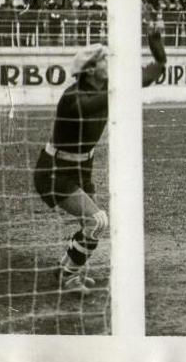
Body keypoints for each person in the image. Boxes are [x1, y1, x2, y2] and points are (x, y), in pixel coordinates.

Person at [33, 31, 166, 293]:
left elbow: (152, 73)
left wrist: (157, 47)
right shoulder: (73, 98)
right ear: (91, 69)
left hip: (82, 167)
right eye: (106, 60)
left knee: (93, 224)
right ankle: (69, 275)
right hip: (54, 170)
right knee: (98, 221)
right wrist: (128, 82)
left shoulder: (106, 87)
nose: (112, 63)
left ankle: (66, 267)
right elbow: (99, 102)